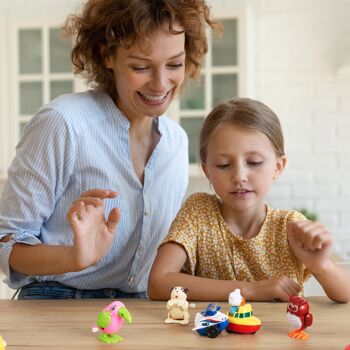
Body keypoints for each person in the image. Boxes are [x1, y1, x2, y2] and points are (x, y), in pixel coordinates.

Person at [0, 0, 219, 299]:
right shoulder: (65, 123)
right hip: (57, 300)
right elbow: (6, 241)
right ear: (107, 55)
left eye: (174, 64)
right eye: (141, 66)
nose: (160, 83)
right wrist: (73, 257)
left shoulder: (176, 143)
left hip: (141, 307)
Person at [147, 97, 350, 302]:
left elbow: (345, 295)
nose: (239, 176)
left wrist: (321, 266)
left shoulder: (289, 226)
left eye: (254, 162)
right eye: (223, 165)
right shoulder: (199, 212)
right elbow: (158, 283)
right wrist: (251, 290)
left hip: (278, 334)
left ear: (278, 167)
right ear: (207, 170)